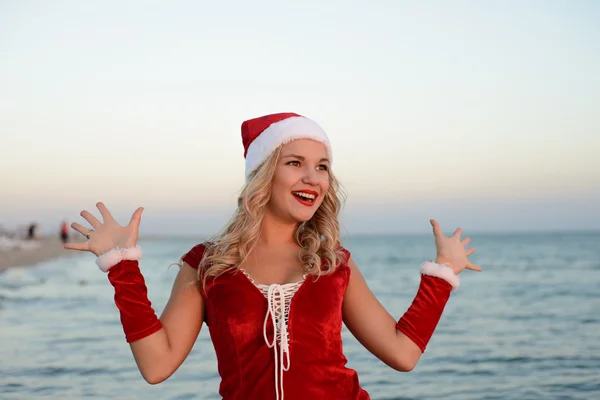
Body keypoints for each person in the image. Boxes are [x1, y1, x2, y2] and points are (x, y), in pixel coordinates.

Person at [64, 112, 482, 400]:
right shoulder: (207, 266)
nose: (312, 178)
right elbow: (157, 366)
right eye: (295, 163)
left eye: (322, 166)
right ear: (263, 174)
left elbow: (402, 353)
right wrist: (122, 267)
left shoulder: (334, 264)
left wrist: (441, 275)